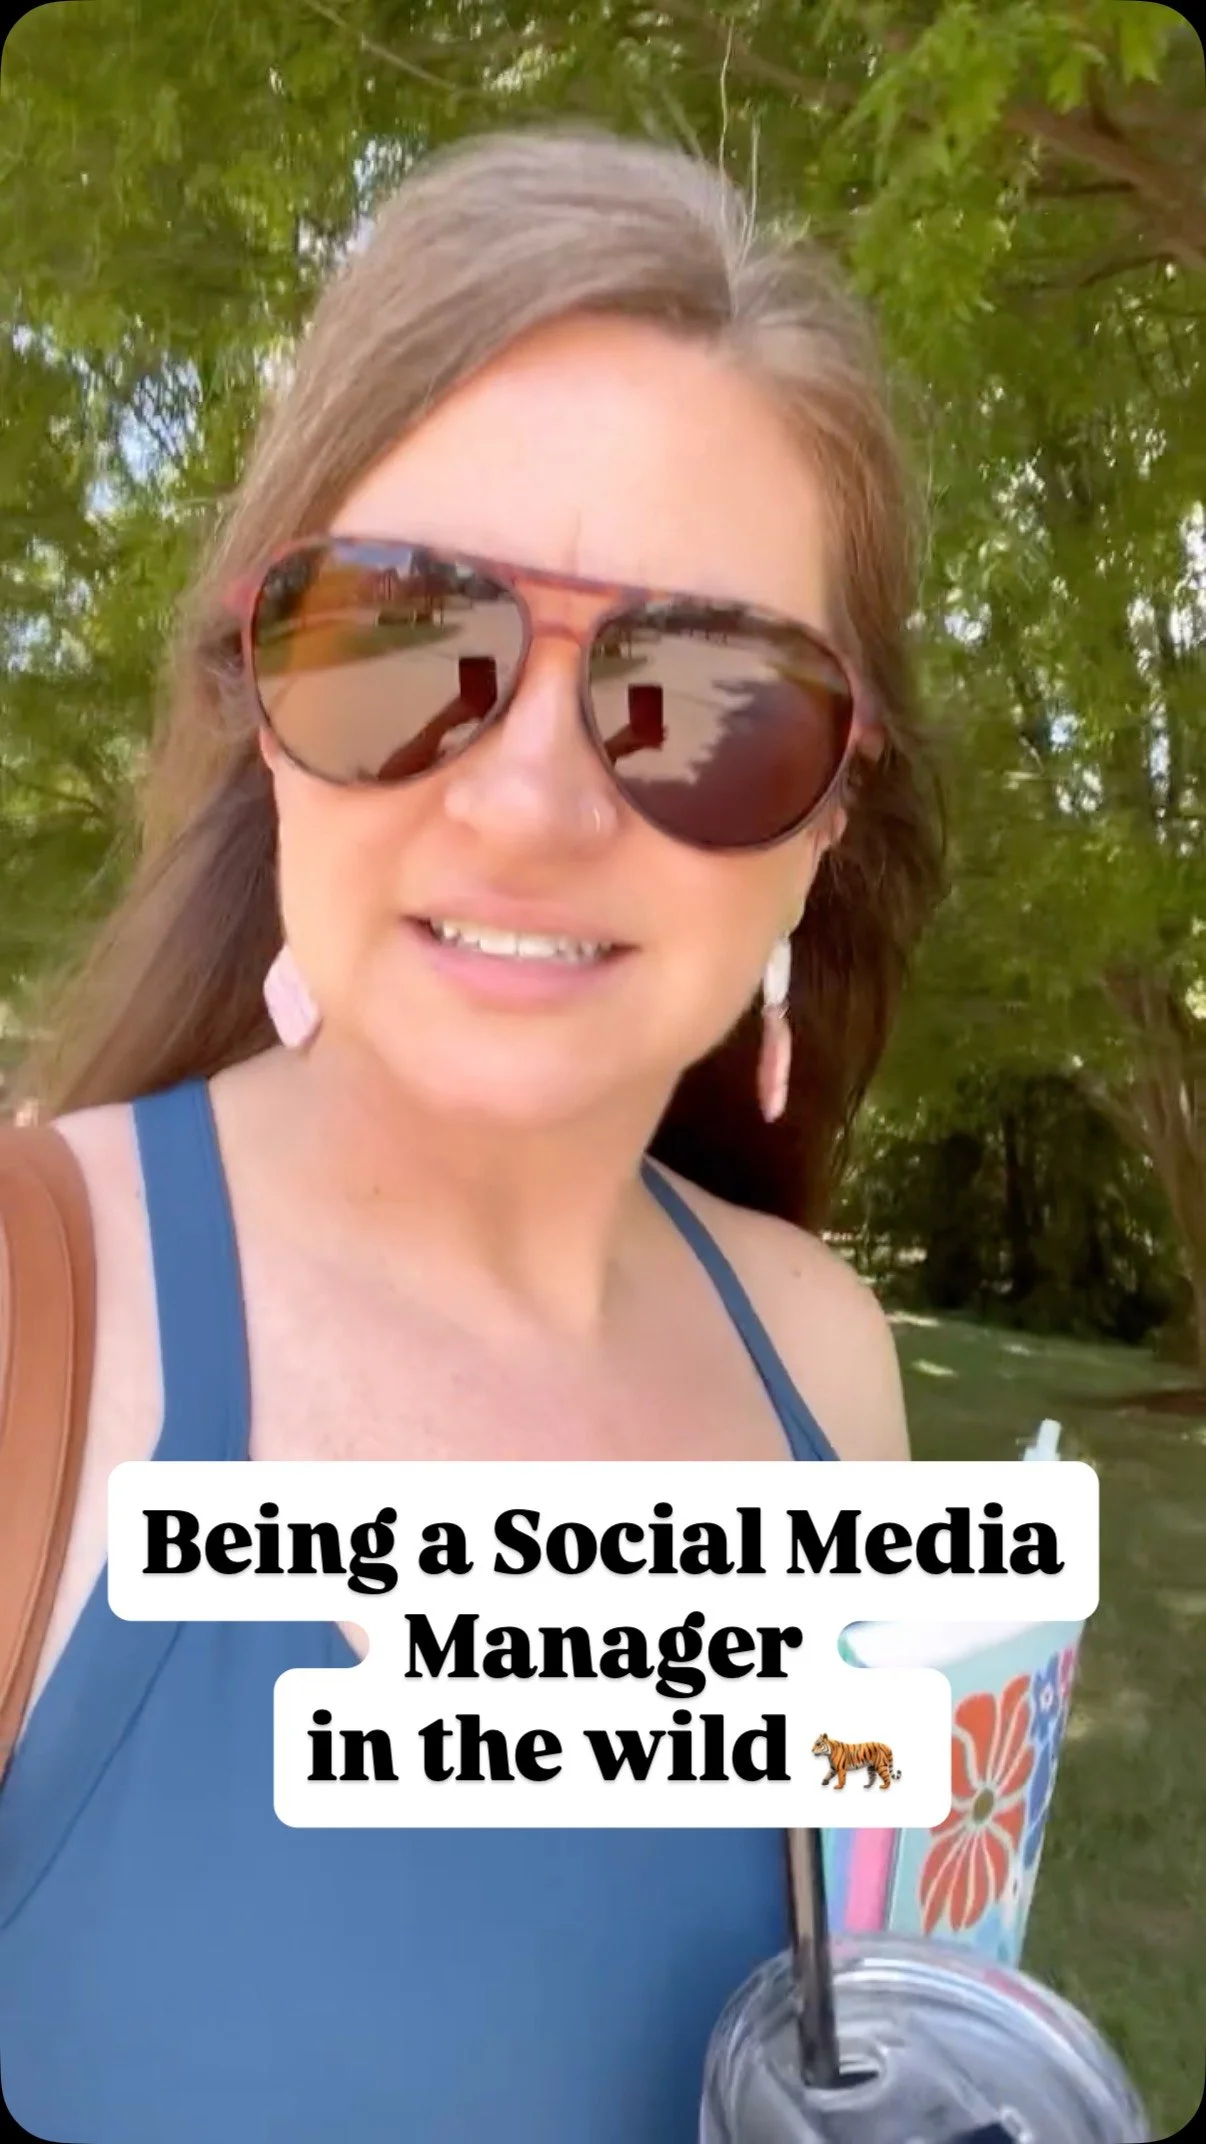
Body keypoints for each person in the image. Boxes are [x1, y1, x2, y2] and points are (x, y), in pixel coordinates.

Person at [0, 125, 943, 2144]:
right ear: (262, 703)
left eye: (711, 696)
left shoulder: (830, 1364)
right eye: (401, 640)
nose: (528, 806)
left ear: (827, 816)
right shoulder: (26, 1341)